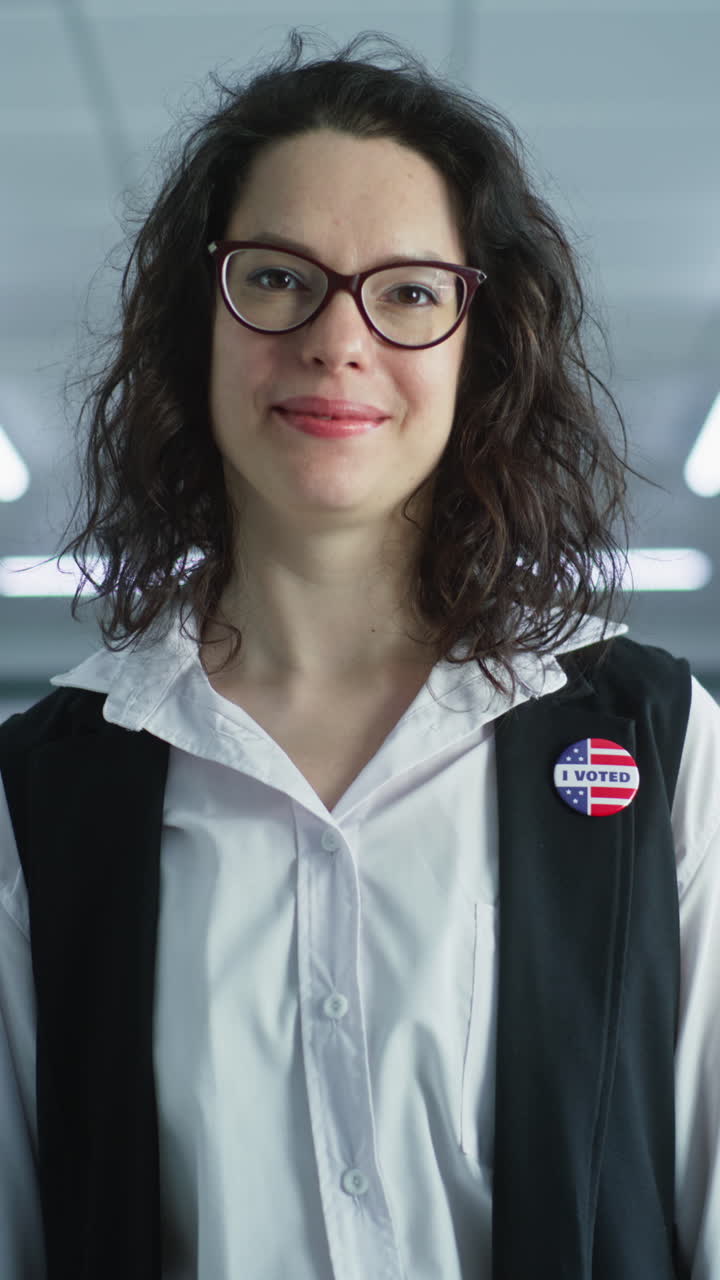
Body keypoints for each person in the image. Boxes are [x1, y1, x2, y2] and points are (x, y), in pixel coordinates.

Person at [1, 27, 718, 1280]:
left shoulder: (657, 743)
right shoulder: (40, 795)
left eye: (411, 291)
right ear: (197, 321)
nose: (338, 339)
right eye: (278, 277)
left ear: (479, 344)